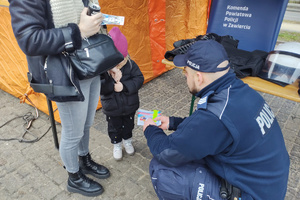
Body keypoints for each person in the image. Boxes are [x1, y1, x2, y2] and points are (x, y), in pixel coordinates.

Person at [143, 40, 290, 200]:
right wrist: (173, 122)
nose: (184, 74)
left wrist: (151, 129)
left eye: (185, 70)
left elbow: (167, 153)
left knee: (163, 169)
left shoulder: (215, 117)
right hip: (267, 185)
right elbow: (207, 131)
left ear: (199, 77)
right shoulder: (238, 91)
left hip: (252, 195)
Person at [8, 0, 121, 197]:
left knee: (86, 124)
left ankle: (84, 160)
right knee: (73, 132)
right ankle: (74, 177)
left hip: (91, 64)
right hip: (65, 73)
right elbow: (29, 40)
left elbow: (94, 22)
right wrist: (78, 32)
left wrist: (109, 61)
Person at [100, 27, 144, 161]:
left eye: (121, 59)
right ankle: (117, 144)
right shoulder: (103, 69)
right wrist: (111, 85)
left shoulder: (130, 65)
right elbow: (100, 87)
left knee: (128, 125)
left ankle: (128, 141)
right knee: (114, 127)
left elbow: (139, 79)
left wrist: (124, 86)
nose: (118, 64)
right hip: (112, 108)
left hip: (129, 105)